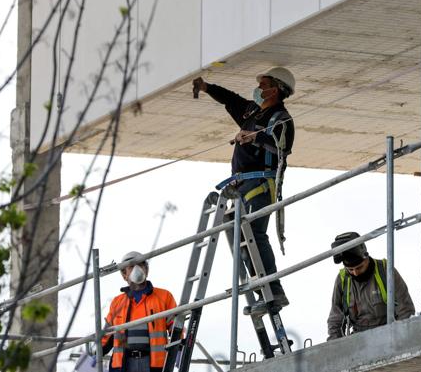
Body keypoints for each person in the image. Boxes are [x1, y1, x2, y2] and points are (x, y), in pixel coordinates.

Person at [192, 67, 296, 315]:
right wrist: (207, 87)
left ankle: (274, 291)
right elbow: (231, 99)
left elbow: (282, 150)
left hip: (261, 183)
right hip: (242, 184)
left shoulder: (281, 119)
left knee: (255, 236)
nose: (259, 89)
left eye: (264, 84)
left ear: (277, 89)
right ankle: (263, 292)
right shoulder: (252, 112)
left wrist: (255, 138)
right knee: (243, 241)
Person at [327, 232, 415, 340]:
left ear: (366, 258)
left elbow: (405, 310)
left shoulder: (385, 270)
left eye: (359, 267)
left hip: (388, 335)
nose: (355, 273)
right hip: (358, 340)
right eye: (350, 269)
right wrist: (335, 347)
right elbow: (335, 319)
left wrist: (401, 339)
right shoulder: (342, 280)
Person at [101, 251, 177, 372]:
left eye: (140, 265)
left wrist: (176, 354)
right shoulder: (117, 302)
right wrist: (95, 352)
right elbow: (107, 335)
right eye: (131, 266)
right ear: (124, 275)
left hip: (154, 364)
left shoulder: (164, 297)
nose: (137, 269)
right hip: (124, 364)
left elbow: (175, 329)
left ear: (146, 270)